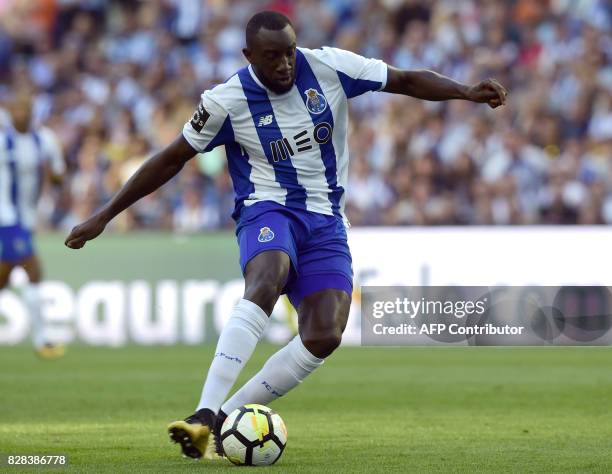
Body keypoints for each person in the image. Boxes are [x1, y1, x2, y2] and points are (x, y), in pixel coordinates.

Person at [65, 11, 507, 459]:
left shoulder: (330, 66)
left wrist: (465, 91)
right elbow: (171, 158)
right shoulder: (226, 101)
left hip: (327, 220)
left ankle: (218, 425)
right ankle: (203, 410)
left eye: (289, 53)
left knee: (325, 334)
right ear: (248, 56)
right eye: (272, 56)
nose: (284, 64)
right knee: (267, 277)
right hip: (267, 208)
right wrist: (105, 214)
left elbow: (406, 80)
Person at [0, 92, 66, 359]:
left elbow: (60, 175)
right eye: (18, 109)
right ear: (10, 111)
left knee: (3, 278)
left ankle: (43, 341)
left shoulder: (45, 139)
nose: (23, 114)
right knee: (33, 268)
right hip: (6, 216)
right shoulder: (3, 141)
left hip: (26, 218)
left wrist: (54, 175)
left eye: (27, 109)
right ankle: (43, 341)